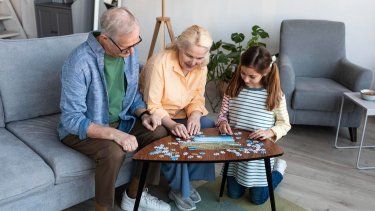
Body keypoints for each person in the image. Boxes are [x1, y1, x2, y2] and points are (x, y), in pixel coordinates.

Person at [58, 7, 170, 211]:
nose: (132, 52)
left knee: (159, 132)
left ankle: (134, 195)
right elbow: (72, 119)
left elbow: (132, 95)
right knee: (113, 151)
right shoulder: (78, 63)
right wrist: (114, 134)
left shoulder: (127, 53)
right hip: (81, 130)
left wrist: (143, 114)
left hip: (121, 120)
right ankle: (102, 208)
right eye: (126, 47)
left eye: (135, 43)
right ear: (104, 39)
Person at [141, 25, 216, 211]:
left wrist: (195, 116)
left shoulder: (202, 66)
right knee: (175, 137)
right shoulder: (160, 63)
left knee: (207, 126)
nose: (193, 62)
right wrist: (172, 125)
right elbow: (153, 104)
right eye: (189, 56)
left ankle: (187, 181)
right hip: (156, 117)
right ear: (179, 47)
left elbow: (197, 98)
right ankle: (178, 189)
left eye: (199, 57)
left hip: (181, 114)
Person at [217, 46, 291, 204]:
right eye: (242, 73)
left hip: (258, 158)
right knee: (233, 194)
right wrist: (222, 122)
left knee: (258, 199)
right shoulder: (232, 89)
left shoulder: (275, 94)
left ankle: (278, 169)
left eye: (252, 76)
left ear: (265, 72)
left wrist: (269, 132)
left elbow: (285, 124)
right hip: (235, 153)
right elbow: (222, 115)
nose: (245, 79)